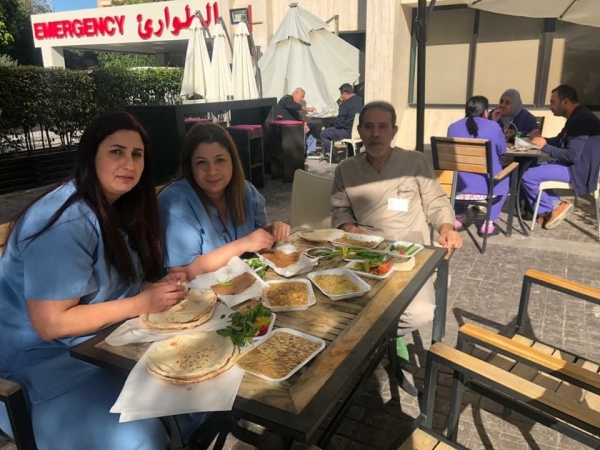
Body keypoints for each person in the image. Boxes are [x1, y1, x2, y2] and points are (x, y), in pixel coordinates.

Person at [0, 111, 203, 450]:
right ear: (91, 155)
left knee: (196, 395)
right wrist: (141, 302)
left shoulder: (118, 209)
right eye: (116, 152)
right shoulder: (64, 221)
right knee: (143, 439)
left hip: (101, 351)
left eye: (137, 154)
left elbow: (107, 286)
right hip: (37, 376)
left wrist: (151, 289)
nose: (129, 164)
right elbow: (51, 323)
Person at [331, 101, 462, 379]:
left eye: (383, 127)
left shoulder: (415, 162)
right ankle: (381, 338)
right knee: (338, 308)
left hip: (412, 256)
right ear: (360, 131)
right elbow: (339, 210)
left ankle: (385, 337)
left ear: (394, 131)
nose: (375, 134)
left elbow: (436, 203)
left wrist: (446, 228)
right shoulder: (345, 169)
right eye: (369, 127)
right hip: (365, 254)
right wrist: (351, 228)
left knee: (420, 312)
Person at [159, 123, 291, 279]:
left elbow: (259, 229)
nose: (212, 171)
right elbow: (180, 274)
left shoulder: (245, 190)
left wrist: (272, 230)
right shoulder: (176, 202)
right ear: (190, 167)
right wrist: (243, 244)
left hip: (246, 283)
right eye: (201, 162)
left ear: (233, 161)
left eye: (220, 160)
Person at [523, 85, 600, 229]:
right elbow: (559, 141)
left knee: (527, 175)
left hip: (580, 171)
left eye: (553, 102)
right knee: (531, 167)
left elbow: (572, 155)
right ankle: (553, 206)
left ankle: (553, 206)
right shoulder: (577, 115)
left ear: (565, 102)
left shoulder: (581, 120)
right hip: (576, 166)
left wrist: (544, 146)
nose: (550, 106)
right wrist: (541, 140)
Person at [448, 96, 508, 237]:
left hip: (458, 186)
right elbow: (502, 151)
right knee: (505, 179)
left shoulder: (453, 127)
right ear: (486, 112)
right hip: (487, 187)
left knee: (461, 172)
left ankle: (458, 217)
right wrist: (493, 123)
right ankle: (488, 224)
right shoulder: (494, 127)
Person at [321, 83, 364, 163]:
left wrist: (340, 107)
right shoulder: (361, 100)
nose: (341, 97)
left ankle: (335, 156)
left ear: (344, 93)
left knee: (324, 133)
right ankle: (351, 154)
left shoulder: (345, 104)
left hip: (347, 132)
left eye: (341, 94)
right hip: (359, 131)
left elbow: (339, 124)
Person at [277, 87, 319, 156]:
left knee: (312, 126)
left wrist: (304, 122)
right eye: (301, 97)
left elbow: (296, 115)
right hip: (287, 126)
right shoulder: (287, 99)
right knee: (302, 129)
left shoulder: (292, 103)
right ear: (296, 93)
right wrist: (307, 109)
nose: (302, 99)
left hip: (296, 124)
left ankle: (310, 150)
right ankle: (302, 150)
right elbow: (292, 106)